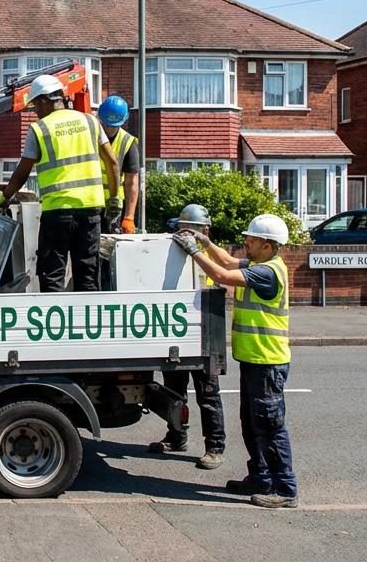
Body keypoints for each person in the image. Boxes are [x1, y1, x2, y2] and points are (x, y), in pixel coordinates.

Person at [172, 214, 297, 508]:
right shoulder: (259, 265)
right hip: (255, 359)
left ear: (267, 245)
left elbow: (223, 276)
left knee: (268, 425)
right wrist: (205, 241)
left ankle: (285, 488)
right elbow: (227, 262)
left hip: (267, 361)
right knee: (252, 424)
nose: (247, 242)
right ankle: (261, 477)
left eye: (251, 239)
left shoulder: (266, 273)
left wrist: (194, 251)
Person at [0, 74, 120, 292]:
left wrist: (4, 198)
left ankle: (54, 326)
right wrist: (114, 199)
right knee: (88, 277)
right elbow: (113, 163)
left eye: (34, 106)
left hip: (57, 214)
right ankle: (85, 325)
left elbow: (23, 171)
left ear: (42, 101)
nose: (35, 112)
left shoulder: (39, 129)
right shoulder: (90, 121)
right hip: (90, 212)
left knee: (52, 277)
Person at [148, 204, 226, 469]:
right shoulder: (173, 254)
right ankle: (176, 436)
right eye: (182, 230)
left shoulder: (210, 255)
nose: (185, 236)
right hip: (178, 334)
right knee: (174, 390)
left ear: (204, 231)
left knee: (208, 394)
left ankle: (215, 447)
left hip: (204, 336)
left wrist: (195, 249)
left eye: (190, 231)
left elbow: (220, 278)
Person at [96, 96, 141, 234]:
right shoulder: (89, 137)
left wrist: (129, 217)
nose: (109, 129)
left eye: (113, 126)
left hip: (114, 208)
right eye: (106, 124)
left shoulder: (128, 142)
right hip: (91, 203)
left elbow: (131, 182)